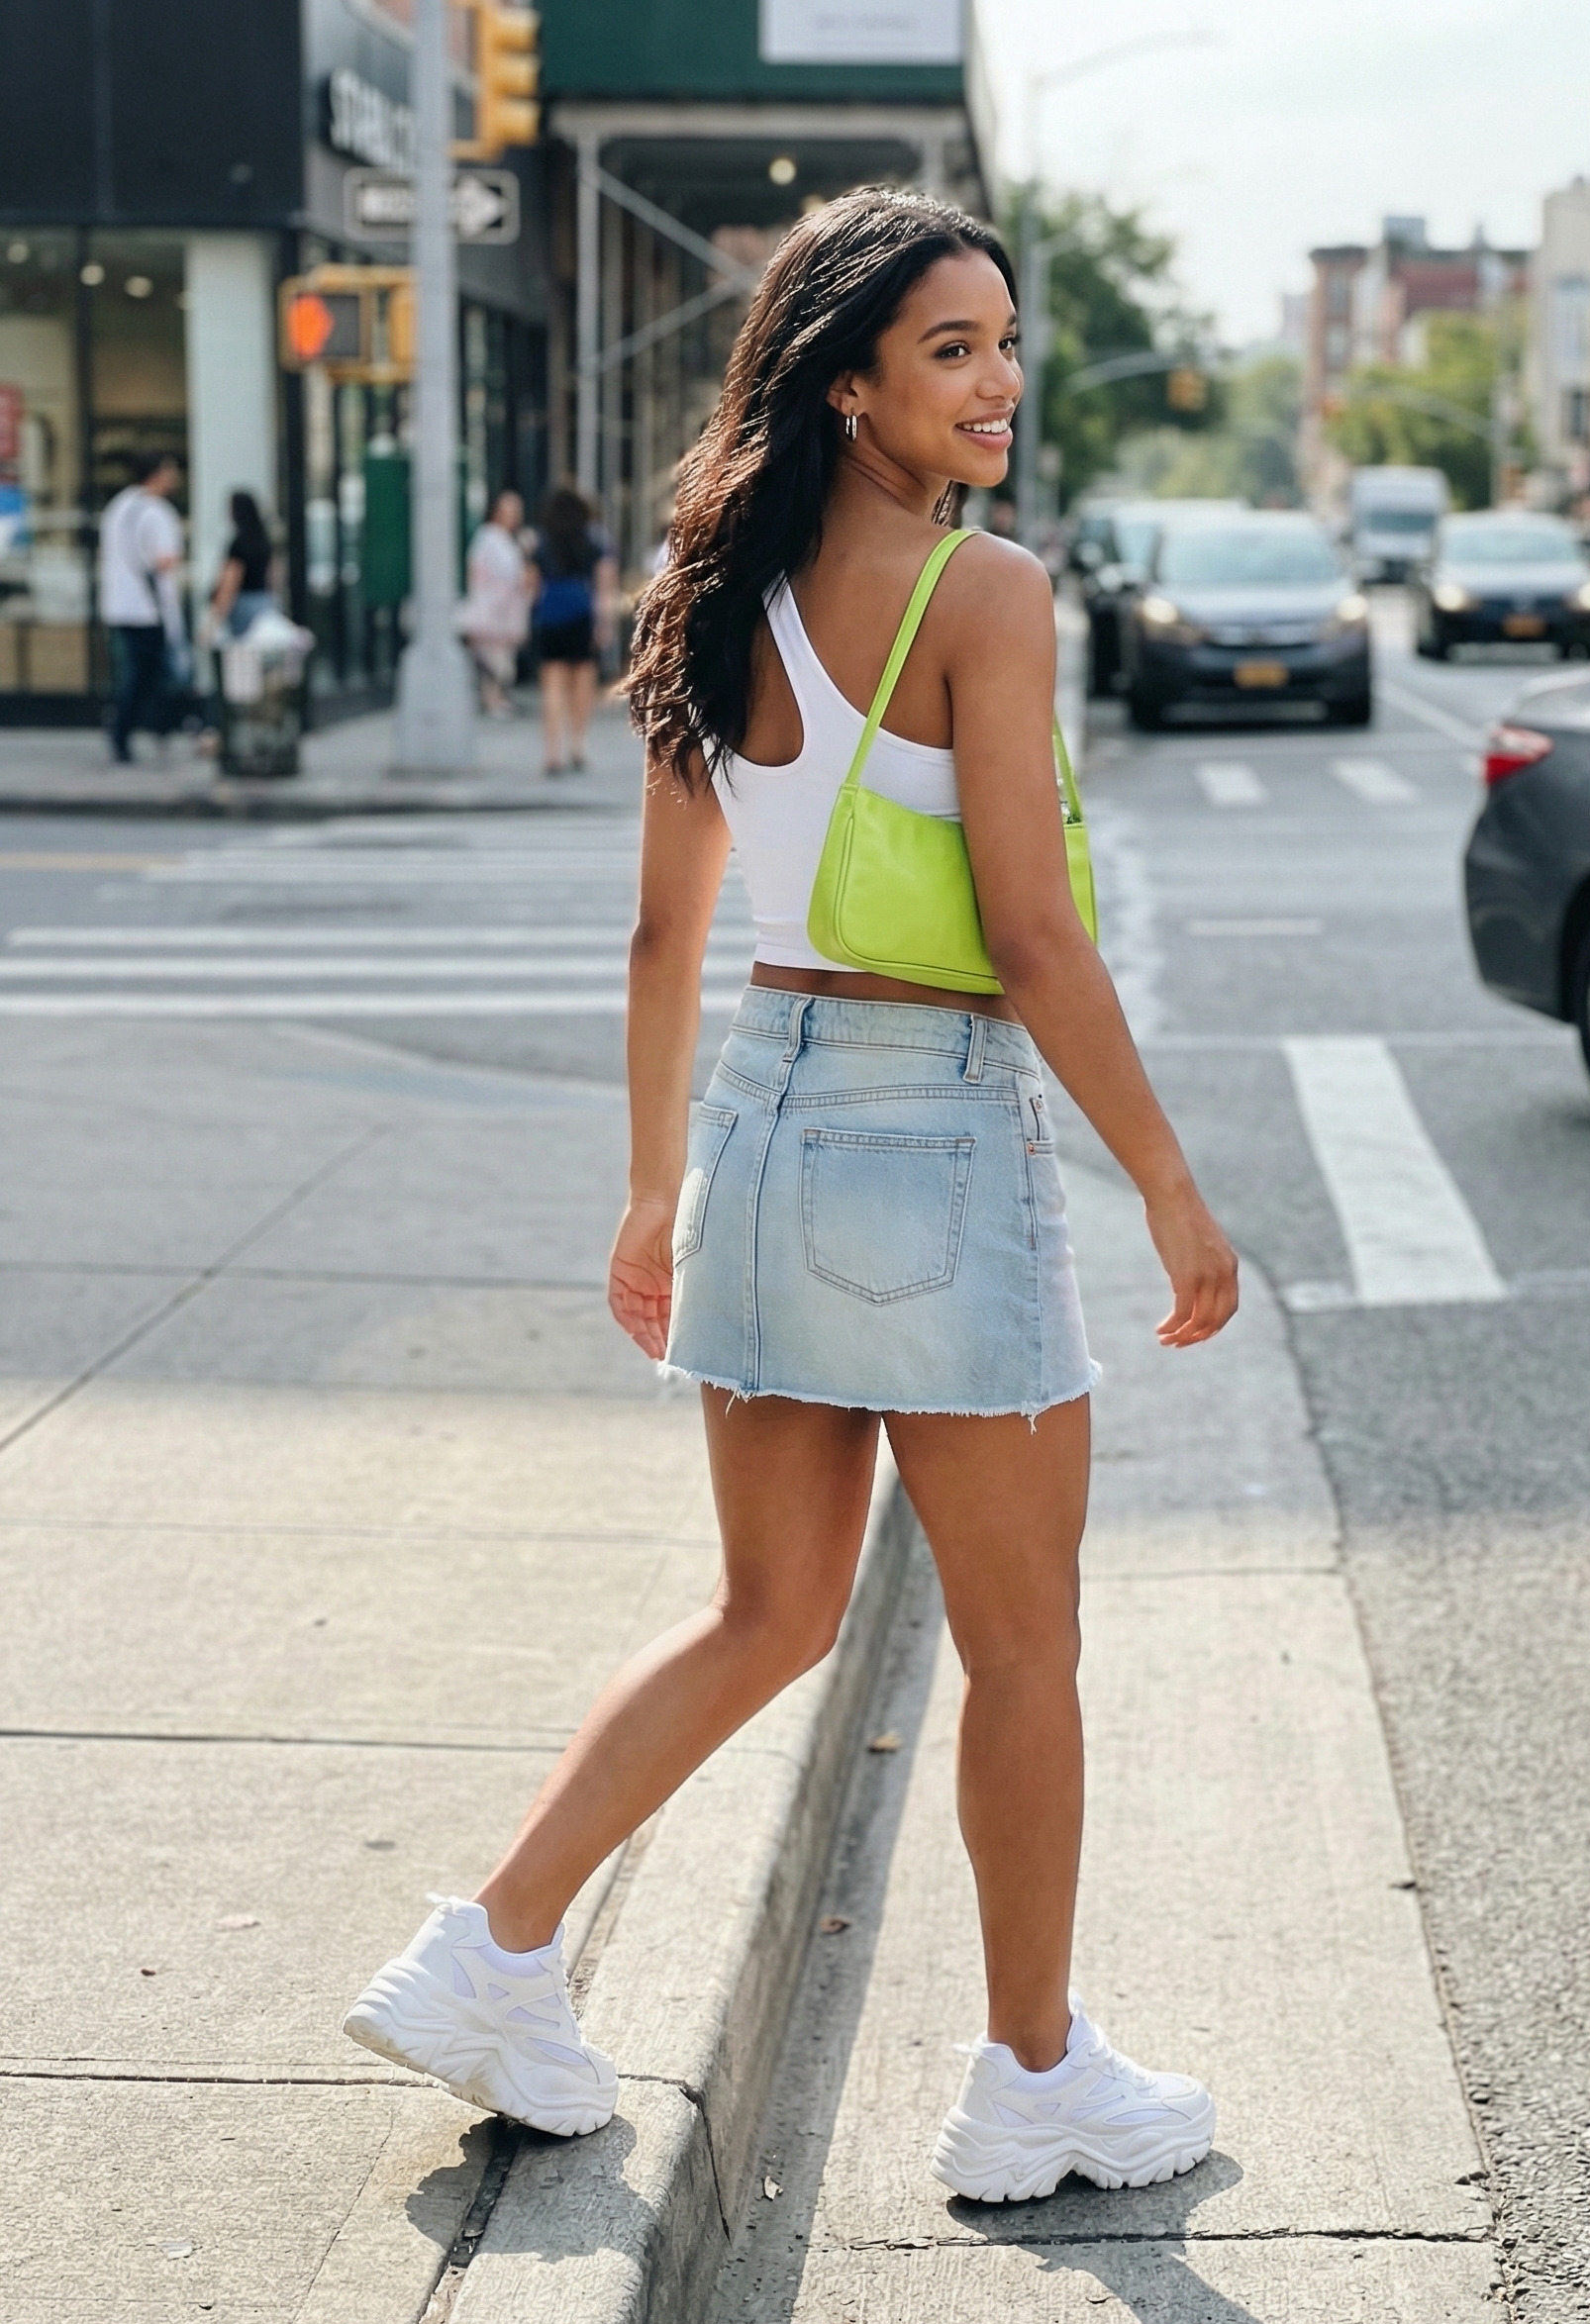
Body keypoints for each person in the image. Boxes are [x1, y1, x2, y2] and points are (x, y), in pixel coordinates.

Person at [343, 190, 1239, 2204]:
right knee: (1022, 1646)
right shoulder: (979, 594)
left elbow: (664, 940)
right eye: (950, 350)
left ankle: (490, 1951)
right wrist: (1172, 1189)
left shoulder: (710, 593)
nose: (999, 382)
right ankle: (1031, 2081)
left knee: (765, 1611)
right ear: (847, 384)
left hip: (760, 1108)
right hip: (931, 1126)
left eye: (1003, 342)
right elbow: (1030, 936)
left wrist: (648, 1190)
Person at [99, 451, 185, 764]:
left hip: (121, 604)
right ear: (157, 473)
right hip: (149, 607)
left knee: (138, 672)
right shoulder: (156, 512)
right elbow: (164, 560)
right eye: (170, 469)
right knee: (146, 675)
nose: (174, 476)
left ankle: (144, 729)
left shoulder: (119, 506)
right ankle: (134, 731)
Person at [529, 484, 617, 773]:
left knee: (553, 684)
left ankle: (552, 752)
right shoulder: (593, 539)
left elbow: (532, 586)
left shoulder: (542, 540)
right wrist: (604, 624)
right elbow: (604, 585)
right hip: (581, 612)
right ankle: (577, 745)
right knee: (583, 681)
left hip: (550, 613)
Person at [458, 488, 531, 717]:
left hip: (507, 608)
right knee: (492, 657)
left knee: (502, 657)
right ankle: (491, 699)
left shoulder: (511, 539)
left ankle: (497, 697)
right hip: (491, 609)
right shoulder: (488, 537)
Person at [205, 491, 275, 642]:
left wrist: (212, 624)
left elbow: (230, 584)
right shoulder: (263, 541)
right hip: (264, 601)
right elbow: (273, 577)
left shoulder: (239, 544)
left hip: (243, 604)